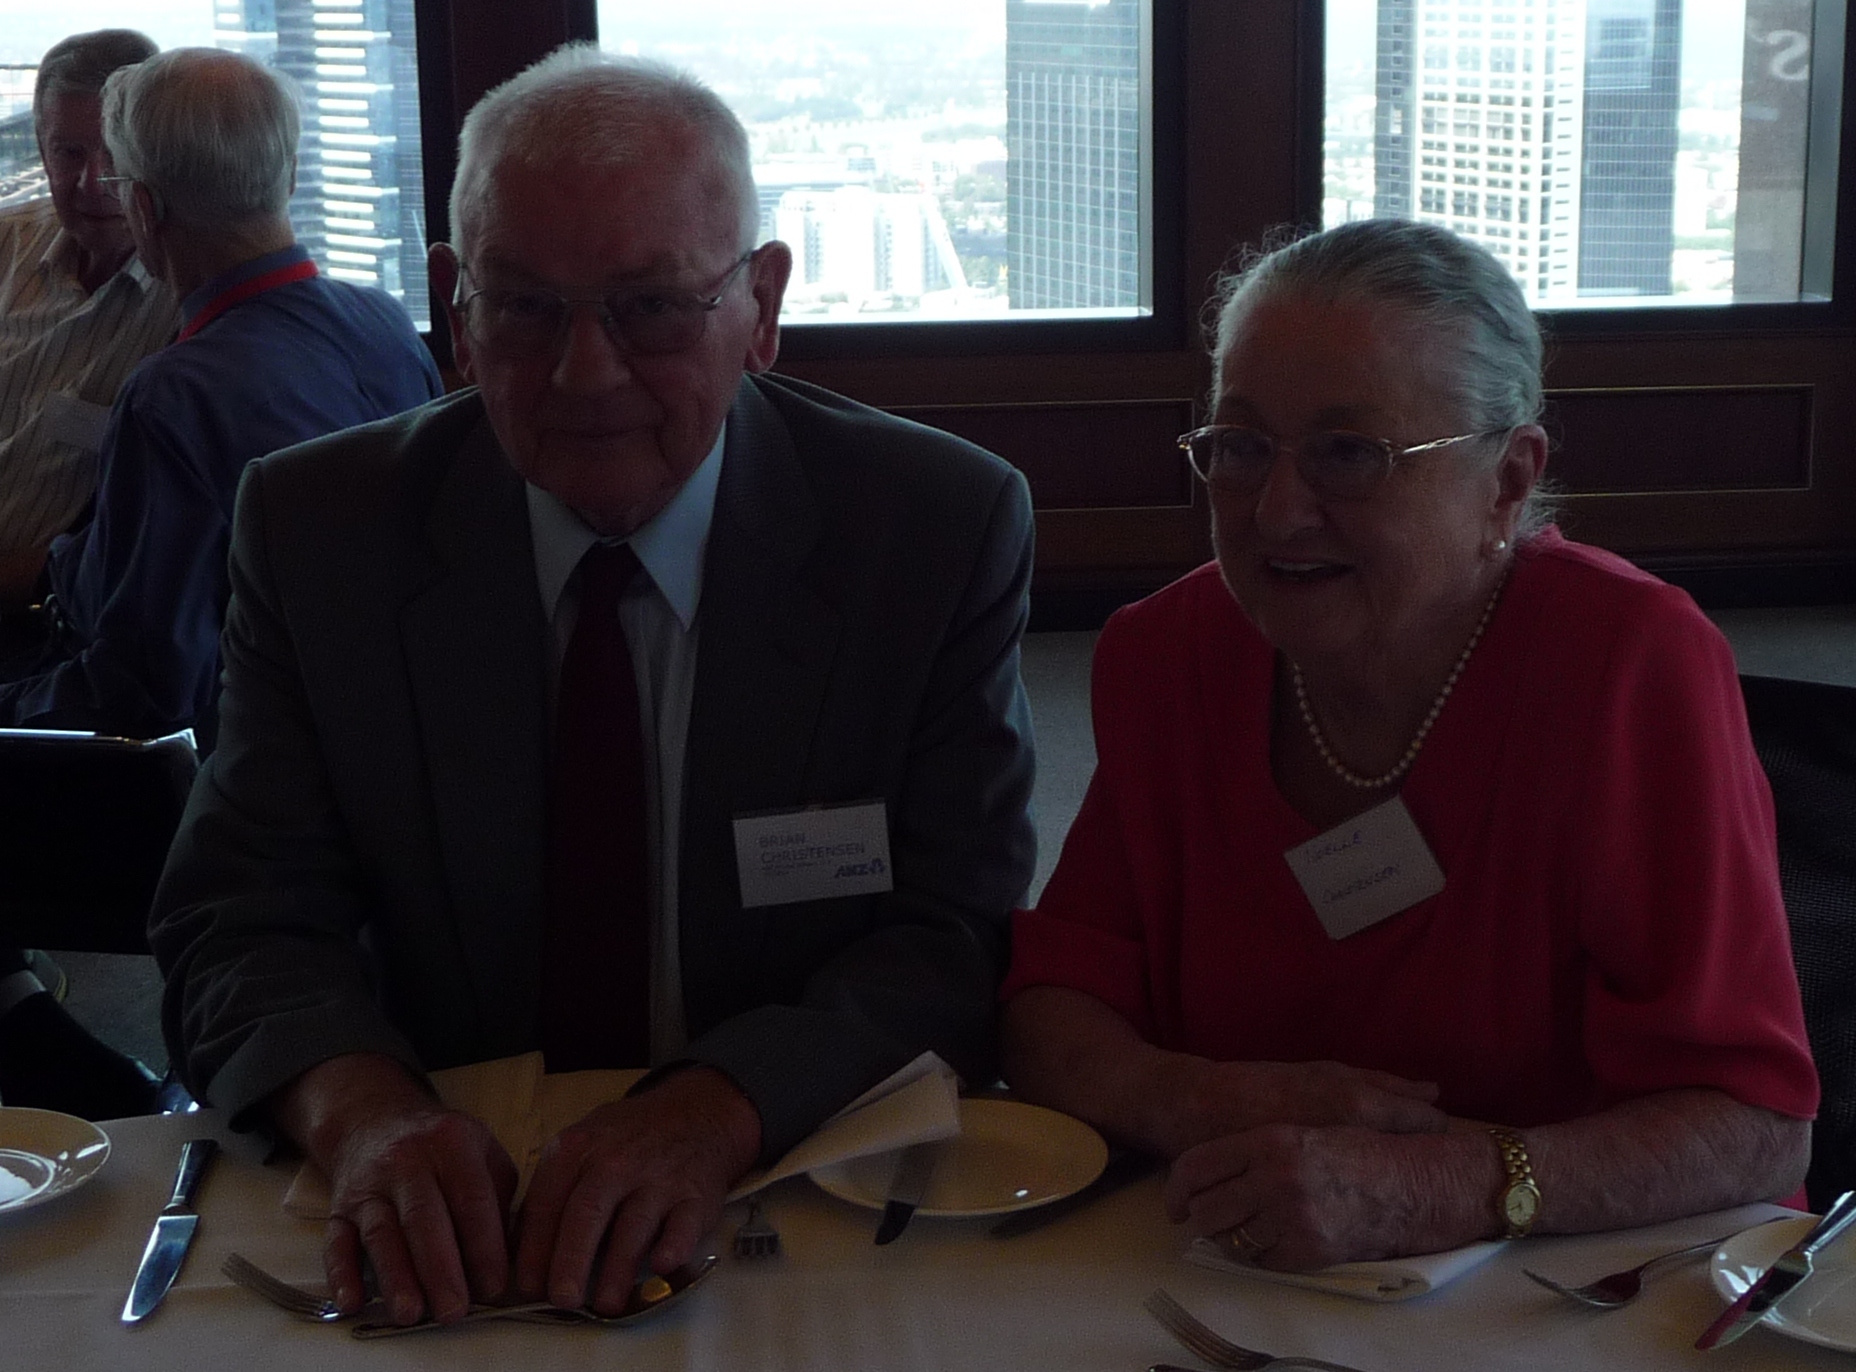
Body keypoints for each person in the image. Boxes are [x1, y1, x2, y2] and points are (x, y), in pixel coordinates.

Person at [150, 45, 1035, 1328]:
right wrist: (363, 1114)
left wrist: (712, 1108)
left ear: (760, 305)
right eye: (524, 307)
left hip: (797, 1199)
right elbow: (240, 918)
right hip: (444, 1233)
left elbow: (956, 932)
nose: (585, 372)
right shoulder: (320, 531)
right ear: (456, 310)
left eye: (651, 306)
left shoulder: (929, 529)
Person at [1000, 219, 1817, 1271]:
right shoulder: (1167, 655)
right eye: (1240, 446)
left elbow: (1754, 1124)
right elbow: (1051, 1012)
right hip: (1247, 1272)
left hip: (1582, 1287)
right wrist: (1195, 1098)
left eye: (1348, 454)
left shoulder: (1625, 665)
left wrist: (1444, 1186)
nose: (1277, 512)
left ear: (1506, 481)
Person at [0, 48, 441, 739]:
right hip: (384, 730)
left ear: (141, 207)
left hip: (240, 756)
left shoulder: (174, 398)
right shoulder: (383, 325)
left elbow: (141, 694)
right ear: (287, 177)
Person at [0, 29, 176, 610]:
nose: (92, 181)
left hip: (49, 620)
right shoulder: (6, 243)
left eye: (115, 154)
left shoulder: (191, 291)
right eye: (69, 152)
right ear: (40, 148)